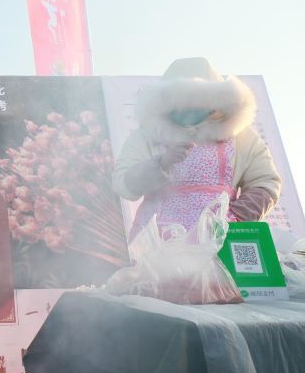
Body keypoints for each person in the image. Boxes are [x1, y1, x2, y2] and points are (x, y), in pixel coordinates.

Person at [113, 57, 281, 239]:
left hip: (219, 240)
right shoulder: (148, 134)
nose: (191, 111)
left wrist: (234, 218)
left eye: (200, 103)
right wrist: (160, 164)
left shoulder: (241, 136)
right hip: (155, 243)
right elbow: (123, 184)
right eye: (183, 103)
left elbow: (265, 184)